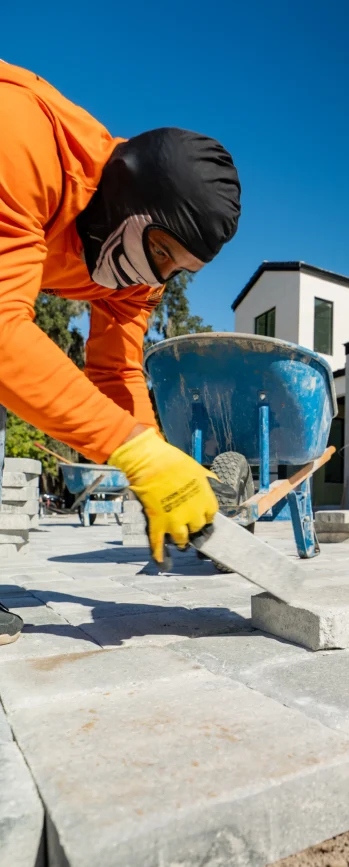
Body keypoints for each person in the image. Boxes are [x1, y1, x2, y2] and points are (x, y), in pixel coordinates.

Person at [0, 62, 241, 645]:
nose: (157, 280)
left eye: (176, 272)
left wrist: (157, 459)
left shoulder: (136, 279)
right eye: (160, 252)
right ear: (128, 197)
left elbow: (115, 371)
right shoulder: (22, 137)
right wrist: (132, 450)